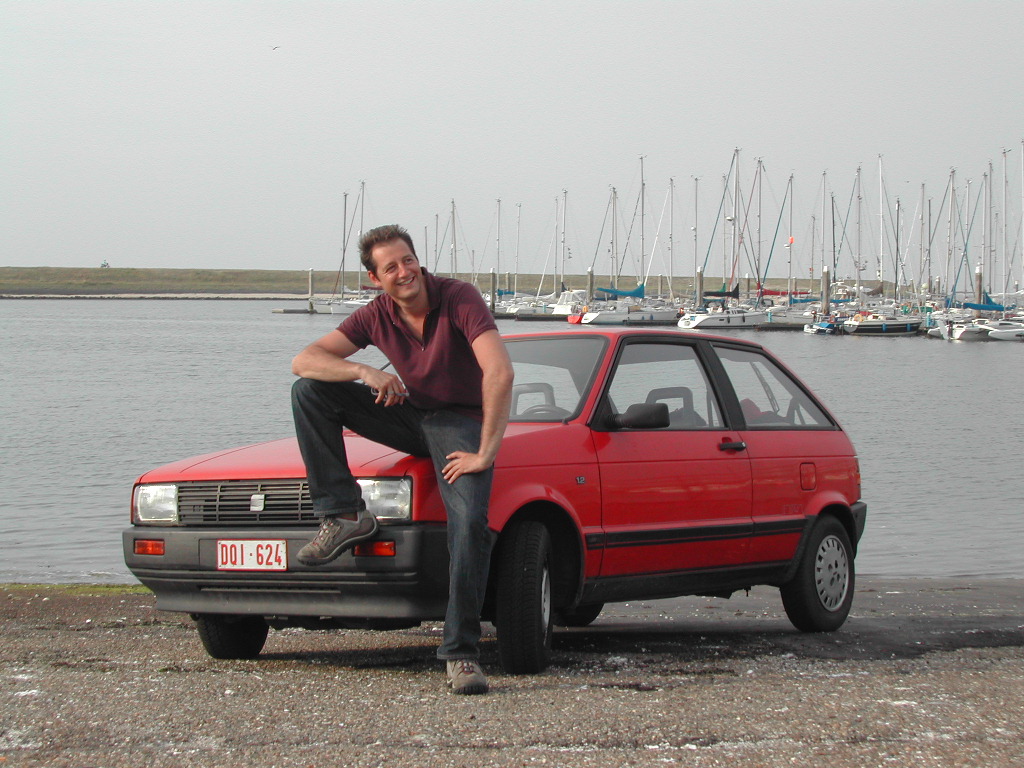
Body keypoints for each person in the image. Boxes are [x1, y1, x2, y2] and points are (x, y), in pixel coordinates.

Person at [290, 224, 513, 695]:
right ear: (375, 278)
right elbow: (305, 359)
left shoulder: (459, 298)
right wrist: (364, 370)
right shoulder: (375, 315)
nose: (404, 271)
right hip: (410, 414)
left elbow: (499, 370)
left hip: (460, 423)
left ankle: (461, 653)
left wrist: (486, 451)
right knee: (310, 392)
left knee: (470, 522)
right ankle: (344, 514)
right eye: (390, 266)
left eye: (408, 260)